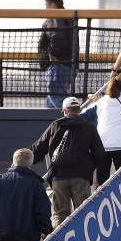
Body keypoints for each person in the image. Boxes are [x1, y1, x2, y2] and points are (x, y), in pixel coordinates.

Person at [30, 96, 104, 227]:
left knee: (60, 214)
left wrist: (25, 162)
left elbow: (39, 147)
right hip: (80, 175)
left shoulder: (55, 125)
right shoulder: (88, 127)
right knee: (83, 212)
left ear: (65, 111)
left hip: (58, 175)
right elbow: (99, 152)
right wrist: (88, 167)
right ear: (79, 110)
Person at [38, 0, 77, 108]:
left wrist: (52, 55)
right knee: (52, 100)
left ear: (53, 5)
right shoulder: (69, 18)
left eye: (46, 5)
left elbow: (57, 36)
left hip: (57, 64)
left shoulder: (56, 17)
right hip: (67, 63)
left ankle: (70, 120)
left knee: (56, 97)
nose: (45, 9)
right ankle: (56, 124)